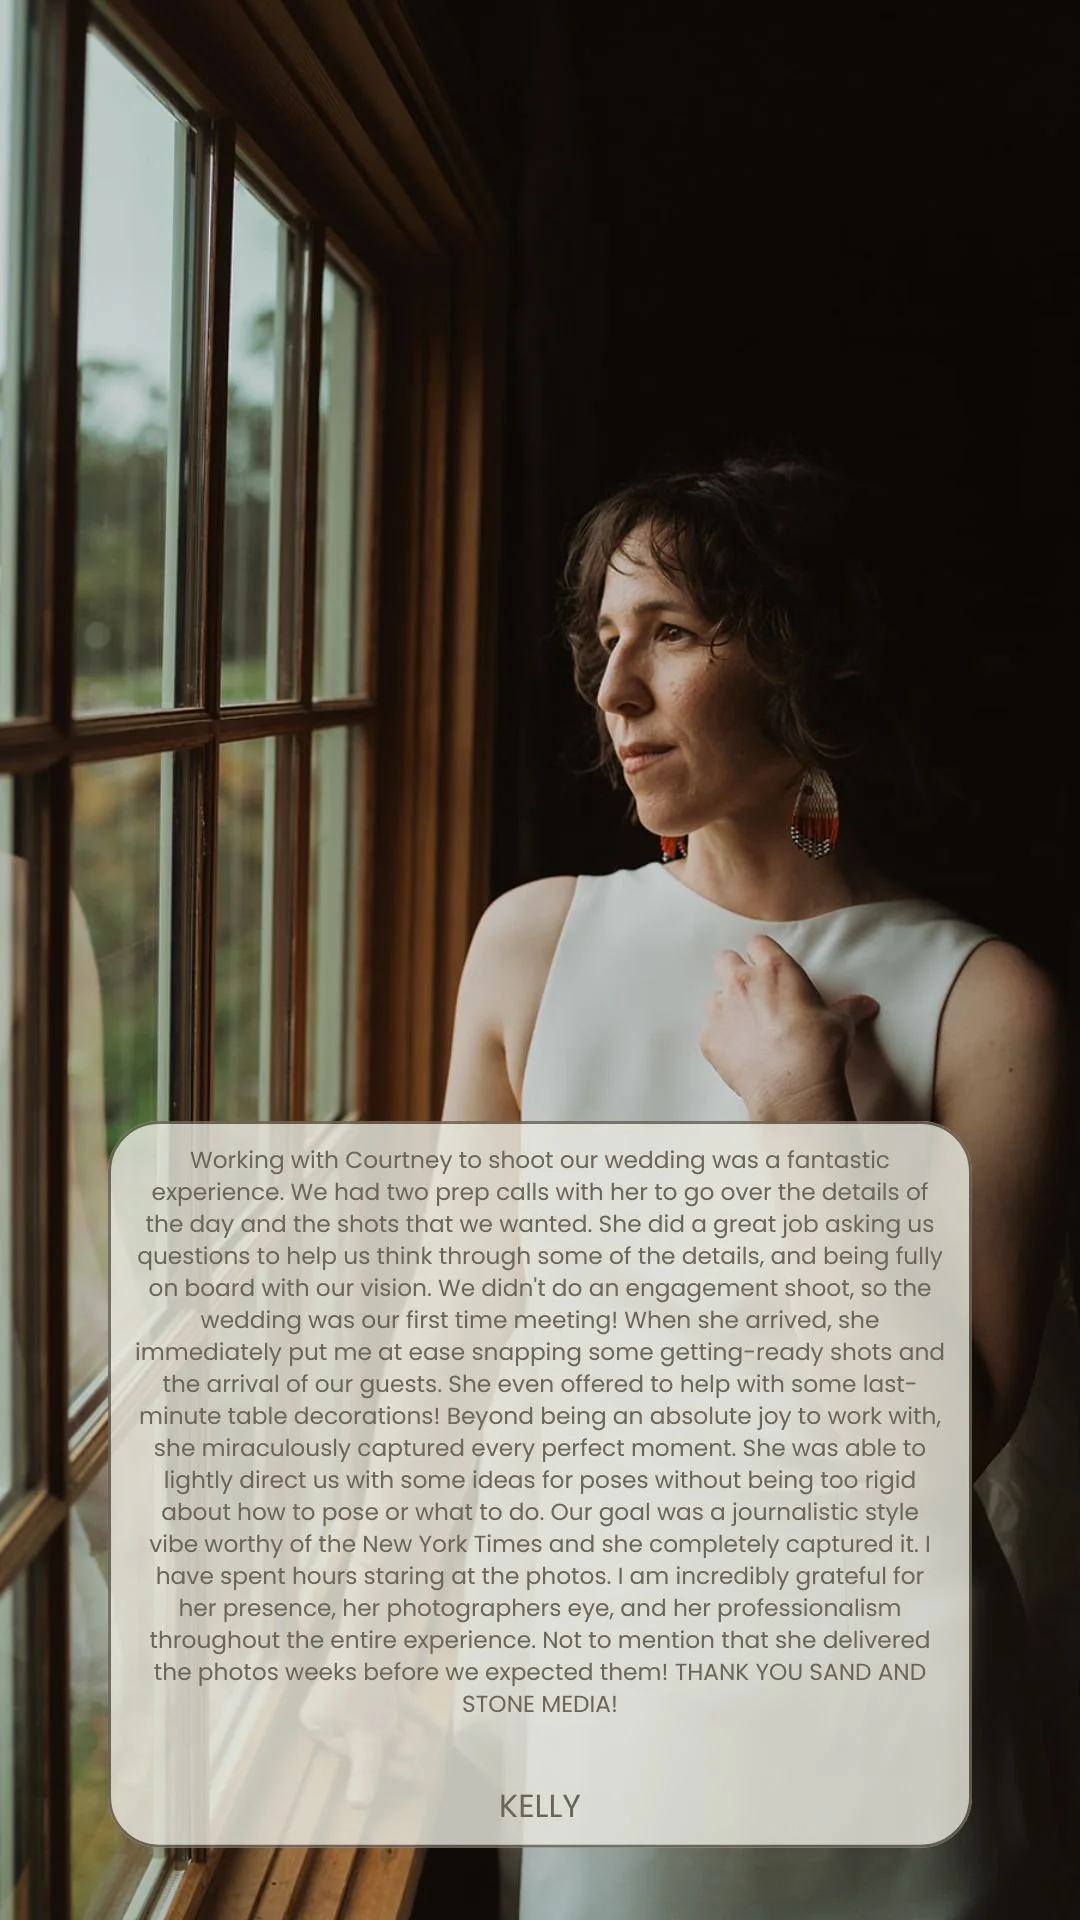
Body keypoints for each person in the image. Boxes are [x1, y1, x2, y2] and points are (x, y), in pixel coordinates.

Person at [438, 458, 1075, 1917]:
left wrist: (803, 1113)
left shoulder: (987, 1006)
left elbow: (927, 1453)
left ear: (803, 659)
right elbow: (453, 1353)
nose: (613, 690)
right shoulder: (533, 948)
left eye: (668, 632)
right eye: (603, 639)